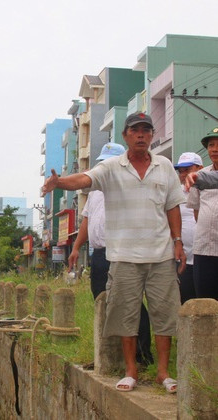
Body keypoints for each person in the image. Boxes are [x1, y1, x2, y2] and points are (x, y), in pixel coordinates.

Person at [43, 112, 185, 393]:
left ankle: (163, 372)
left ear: (152, 135)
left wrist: (177, 240)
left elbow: (173, 206)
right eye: (136, 131)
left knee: (164, 316)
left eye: (146, 130)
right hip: (123, 256)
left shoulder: (165, 166)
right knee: (125, 314)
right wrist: (59, 183)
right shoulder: (111, 167)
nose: (141, 135)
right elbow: (84, 179)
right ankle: (130, 370)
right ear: (126, 136)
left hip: (160, 255)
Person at [68, 142, 154, 366]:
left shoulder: (131, 185)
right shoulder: (95, 190)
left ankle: (143, 354)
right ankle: (108, 354)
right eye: (102, 162)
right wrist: (76, 248)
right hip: (99, 253)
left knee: (131, 302)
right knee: (102, 300)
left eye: (109, 162)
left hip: (122, 250)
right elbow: (86, 220)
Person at [186, 127, 218, 300]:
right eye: (211, 145)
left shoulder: (198, 178)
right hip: (204, 249)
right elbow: (196, 211)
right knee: (205, 302)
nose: (215, 149)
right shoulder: (199, 176)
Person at [173, 152, 203, 303]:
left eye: (188, 169)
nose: (184, 174)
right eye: (181, 170)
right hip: (184, 261)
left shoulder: (210, 190)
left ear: (200, 169)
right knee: (186, 304)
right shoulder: (174, 194)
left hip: (206, 259)